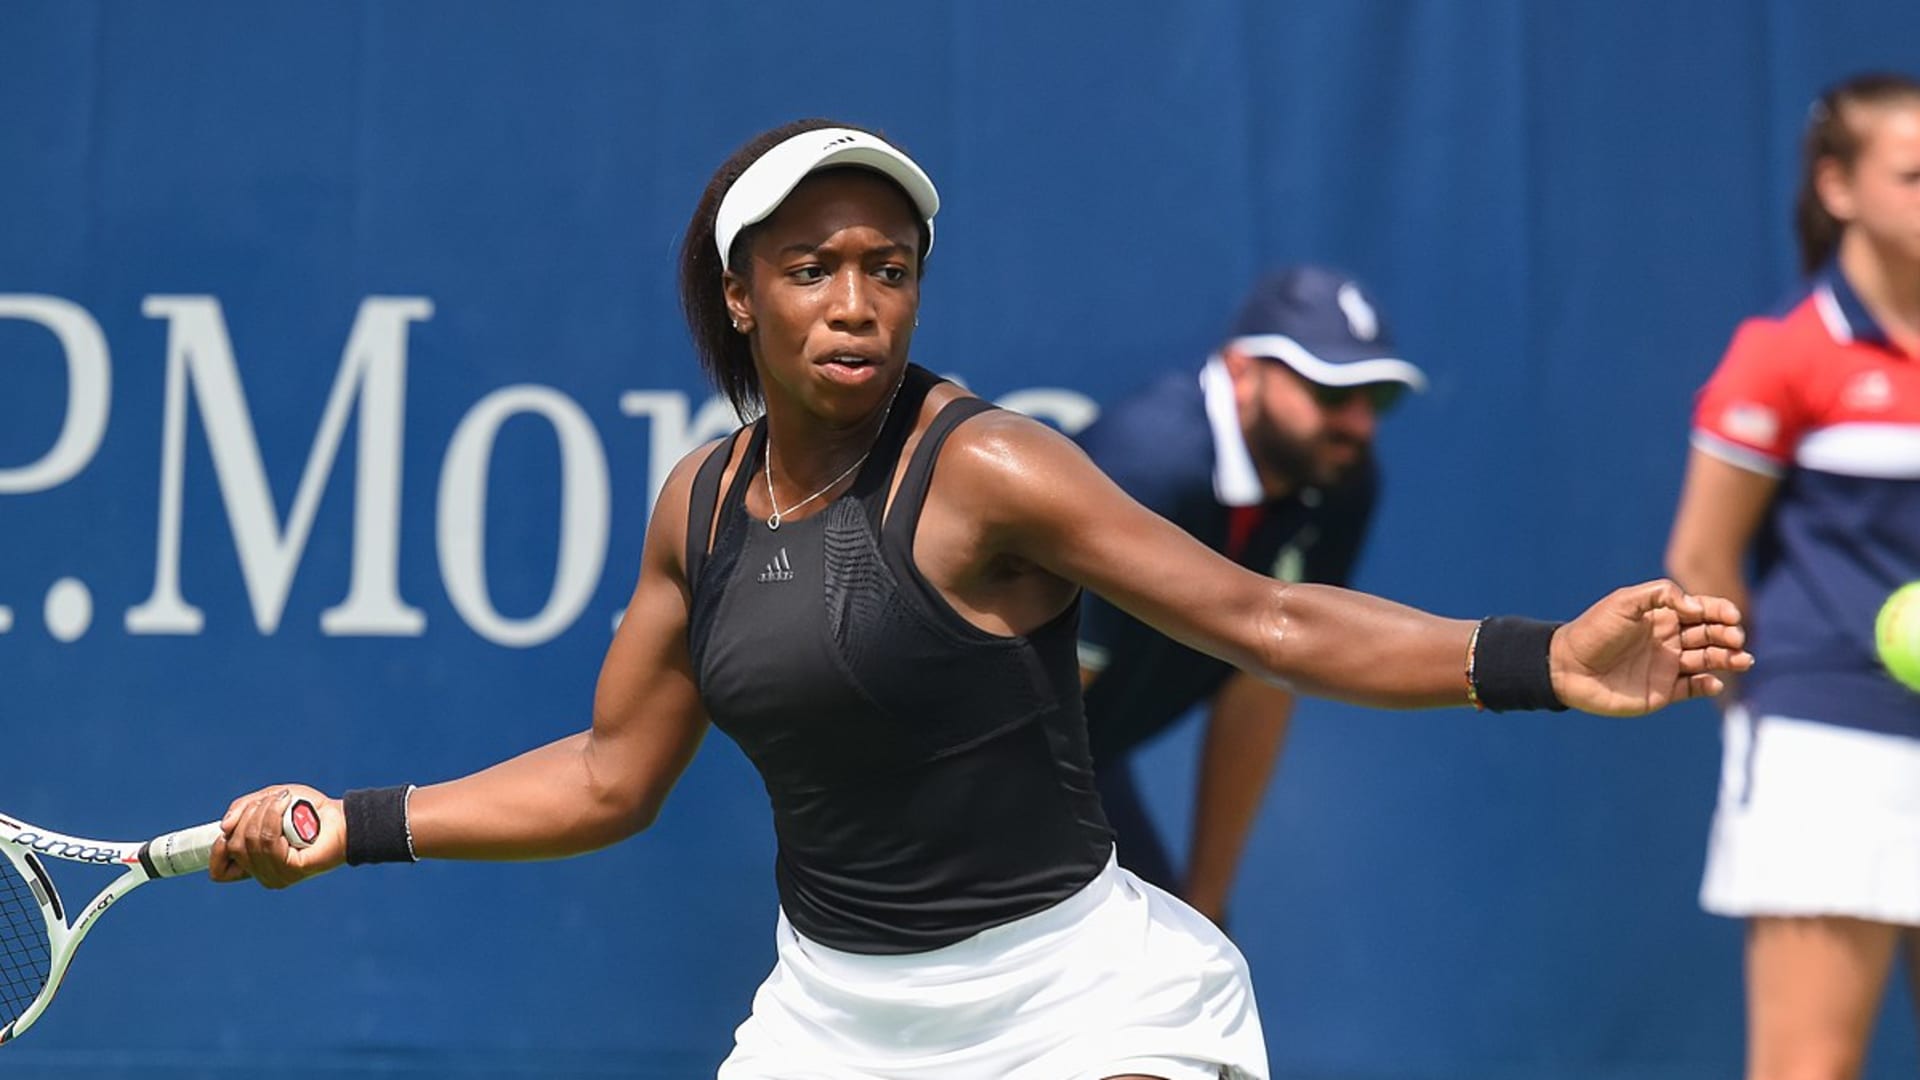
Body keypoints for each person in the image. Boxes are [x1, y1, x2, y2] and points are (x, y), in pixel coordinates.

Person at [216, 117, 1751, 1080]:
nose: (856, 303)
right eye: (812, 268)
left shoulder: (991, 468)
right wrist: (354, 822)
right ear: (740, 295)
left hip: (1079, 1001)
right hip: (831, 1021)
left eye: (888, 268)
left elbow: (1268, 625)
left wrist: (1543, 658)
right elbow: (613, 775)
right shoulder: (697, 507)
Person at [1665, 72, 1920, 1080]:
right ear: (1838, 187)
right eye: (1915, 175)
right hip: (1828, 743)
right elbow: (1701, 559)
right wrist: (1767, 702)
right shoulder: (1783, 355)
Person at [1077, 266, 1424, 926]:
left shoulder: (1341, 481)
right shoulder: (1148, 468)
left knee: (1183, 964)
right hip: (973, 763)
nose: (1358, 424)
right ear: (1242, 371)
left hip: (1078, 755)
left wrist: (1206, 901)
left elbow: (1263, 680)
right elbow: (1024, 696)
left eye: (1375, 397)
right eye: (1331, 391)